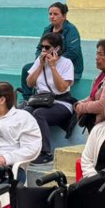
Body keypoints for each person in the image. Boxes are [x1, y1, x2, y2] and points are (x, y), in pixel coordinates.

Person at [23, 33, 76, 165]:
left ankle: (45, 152)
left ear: (56, 49)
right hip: (41, 100)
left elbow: (63, 87)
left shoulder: (66, 63)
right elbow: (29, 83)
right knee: (25, 112)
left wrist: (52, 67)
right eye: (42, 47)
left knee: (39, 114)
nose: (44, 51)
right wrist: (40, 65)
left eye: (47, 47)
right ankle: (26, 149)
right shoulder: (39, 61)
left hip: (61, 102)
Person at [21, 2, 83, 94]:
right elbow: (39, 48)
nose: (52, 16)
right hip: (48, 62)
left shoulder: (71, 30)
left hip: (67, 65)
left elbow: (72, 52)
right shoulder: (47, 29)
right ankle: (27, 98)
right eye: (50, 14)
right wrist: (41, 58)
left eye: (55, 14)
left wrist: (56, 60)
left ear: (64, 16)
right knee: (27, 68)